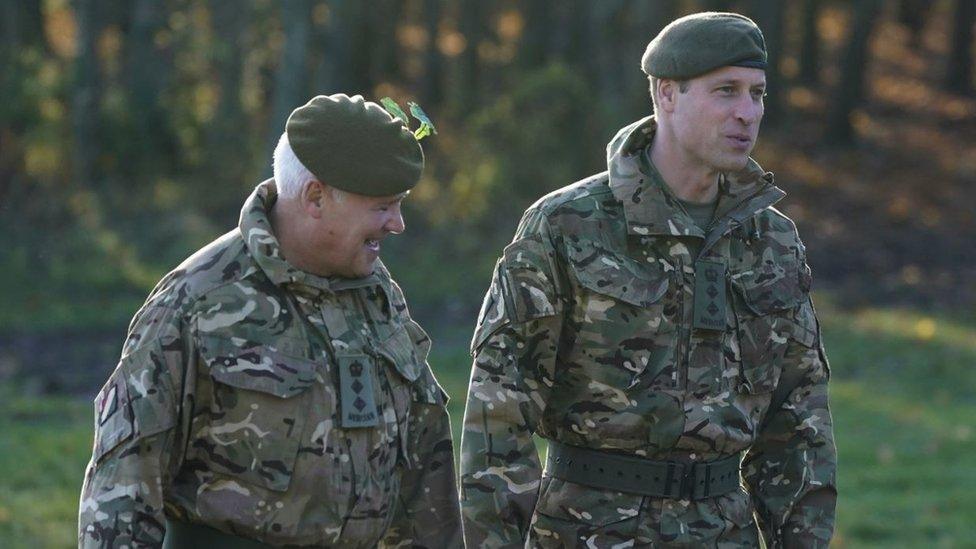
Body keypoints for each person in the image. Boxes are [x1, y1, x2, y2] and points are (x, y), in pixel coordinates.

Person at [460, 12, 837, 548]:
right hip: (588, 528)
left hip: (723, 532)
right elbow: (500, 408)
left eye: (757, 94)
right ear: (667, 94)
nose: (746, 114)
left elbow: (799, 420)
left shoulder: (772, 240)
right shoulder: (568, 224)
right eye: (725, 91)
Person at [79, 94, 462, 548]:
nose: (397, 224)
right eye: (382, 206)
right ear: (316, 196)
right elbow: (121, 492)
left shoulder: (375, 294)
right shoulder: (198, 301)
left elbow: (424, 465)